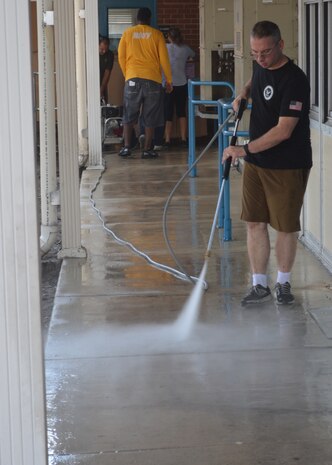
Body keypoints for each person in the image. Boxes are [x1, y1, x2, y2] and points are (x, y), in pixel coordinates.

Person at [222, 21, 312, 306]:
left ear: (281, 45)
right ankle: (258, 284)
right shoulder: (260, 64)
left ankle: (283, 283)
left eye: (266, 52)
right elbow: (255, 78)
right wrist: (244, 93)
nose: (260, 58)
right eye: (254, 53)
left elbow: (284, 130)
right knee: (254, 222)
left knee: (285, 226)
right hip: (256, 162)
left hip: (287, 163)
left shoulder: (295, 80)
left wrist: (243, 149)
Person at [117, 7, 172, 159]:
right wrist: (169, 80)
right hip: (153, 81)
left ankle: (127, 147)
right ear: (149, 19)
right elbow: (164, 60)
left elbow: (121, 57)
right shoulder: (157, 35)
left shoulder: (127, 33)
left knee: (129, 113)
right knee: (150, 115)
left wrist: (128, 75)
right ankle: (147, 149)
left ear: (137, 19)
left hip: (132, 78)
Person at [164, 27, 195, 148]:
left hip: (167, 84)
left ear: (168, 37)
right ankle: (183, 138)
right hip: (182, 83)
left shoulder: (164, 48)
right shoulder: (185, 49)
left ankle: (167, 139)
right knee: (181, 112)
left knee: (168, 113)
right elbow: (193, 55)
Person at [99, 37, 114, 103]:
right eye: (101, 49)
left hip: (103, 82)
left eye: (106, 49)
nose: (104, 51)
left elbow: (107, 72)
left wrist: (101, 89)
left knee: (104, 103)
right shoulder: (91, 53)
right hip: (91, 82)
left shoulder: (110, 55)